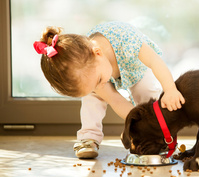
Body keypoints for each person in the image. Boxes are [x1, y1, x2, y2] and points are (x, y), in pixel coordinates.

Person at [33, 21, 185, 159]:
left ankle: (157, 136)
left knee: (147, 92)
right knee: (92, 99)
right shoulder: (92, 72)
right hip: (101, 70)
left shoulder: (128, 42)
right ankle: (88, 137)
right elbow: (115, 100)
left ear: (98, 53)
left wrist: (170, 89)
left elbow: (155, 61)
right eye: (92, 86)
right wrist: (134, 125)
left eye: (98, 81)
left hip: (136, 67)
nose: (99, 87)